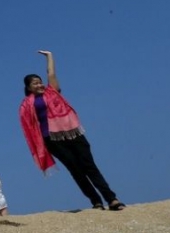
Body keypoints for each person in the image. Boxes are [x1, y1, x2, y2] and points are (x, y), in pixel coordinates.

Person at [19, 50, 125, 211]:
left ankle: (111, 199)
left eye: (40, 81)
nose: (39, 84)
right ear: (28, 87)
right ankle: (96, 201)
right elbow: (30, 128)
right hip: (51, 140)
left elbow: (51, 72)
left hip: (73, 133)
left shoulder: (52, 91)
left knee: (89, 166)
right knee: (75, 170)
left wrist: (49, 56)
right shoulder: (26, 105)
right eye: (35, 83)